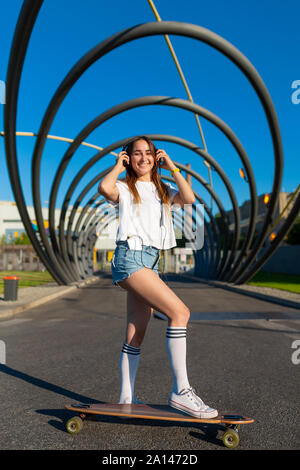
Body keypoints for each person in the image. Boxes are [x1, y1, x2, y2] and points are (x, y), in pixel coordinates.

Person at [98, 136, 218, 418]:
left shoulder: (164, 190)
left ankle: (126, 398)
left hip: (149, 262)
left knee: (136, 333)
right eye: (136, 154)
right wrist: (117, 165)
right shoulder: (125, 188)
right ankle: (182, 391)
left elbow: (189, 199)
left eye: (148, 153)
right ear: (129, 158)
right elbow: (104, 187)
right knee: (180, 313)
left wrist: (173, 166)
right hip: (131, 258)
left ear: (156, 157)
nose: (143, 158)